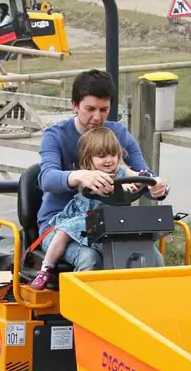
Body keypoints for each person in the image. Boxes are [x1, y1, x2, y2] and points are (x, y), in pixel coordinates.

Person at [37, 69, 169, 271]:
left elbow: (144, 173)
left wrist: (157, 188)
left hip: (112, 222)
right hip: (61, 224)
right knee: (90, 259)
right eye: (90, 109)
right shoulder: (55, 136)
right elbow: (47, 178)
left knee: (152, 259)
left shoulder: (118, 133)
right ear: (75, 105)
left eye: (103, 109)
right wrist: (81, 176)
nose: (97, 117)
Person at [29, 127, 152, 289]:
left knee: (142, 246)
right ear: (89, 159)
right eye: (102, 156)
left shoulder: (121, 171)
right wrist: (121, 187)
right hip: (84, 218)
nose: (109, 160)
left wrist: (143, 180)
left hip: (111, 223)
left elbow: (138, 176)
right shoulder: (89, 175)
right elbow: (104, 189)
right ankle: (46, 268)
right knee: (64, 233)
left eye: (113, 155)